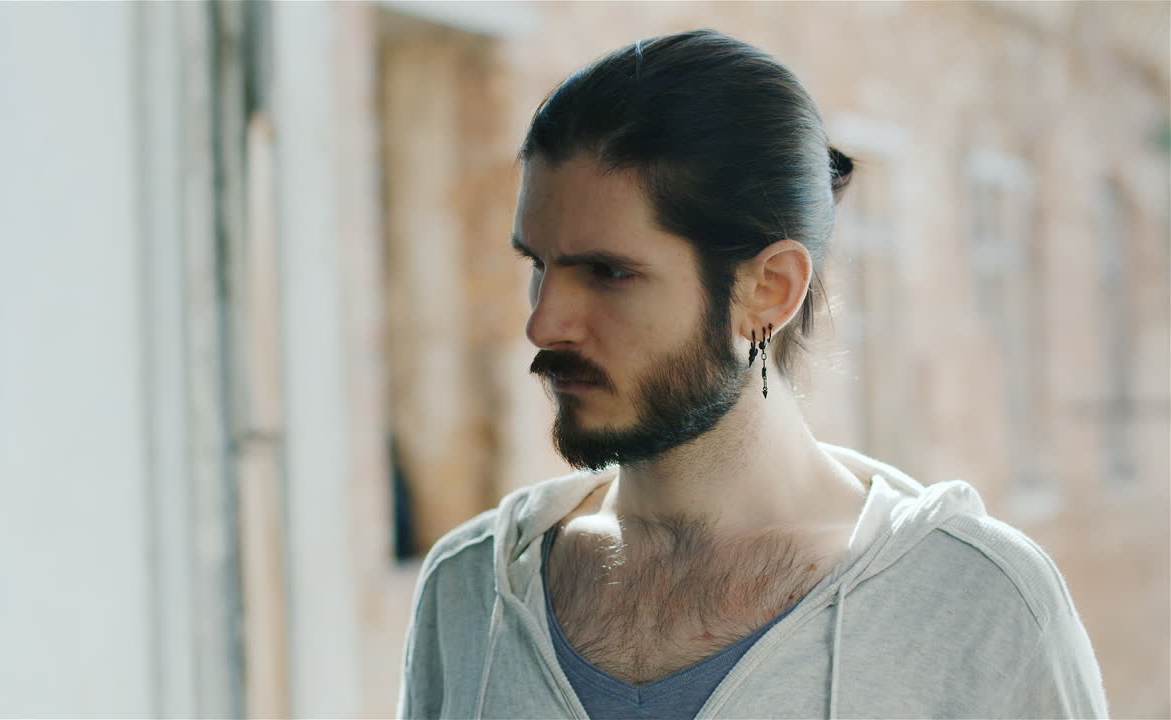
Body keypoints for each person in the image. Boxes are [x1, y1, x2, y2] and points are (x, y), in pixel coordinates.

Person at [396, 29, 1108, 719]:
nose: (545, 323)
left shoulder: (974, 604)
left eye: (608, 273)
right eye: (539, 266)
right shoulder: (467, 593)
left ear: (769, 289)